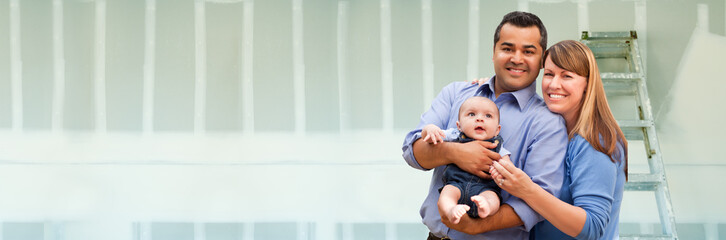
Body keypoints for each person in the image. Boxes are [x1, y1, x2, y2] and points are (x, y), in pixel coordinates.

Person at [402, 11, 568, 240]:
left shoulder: (548, 123)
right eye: (507, 49)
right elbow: (412, 151)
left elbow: (540, 201)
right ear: (494, 52)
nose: (516, 59)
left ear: (542, 60)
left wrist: (475, 226)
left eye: (528, 51)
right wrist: (456, 152)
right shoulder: (456, 93)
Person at [489, 40, 628, 240]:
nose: (554, 84)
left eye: (567, 76)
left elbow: (592, 227)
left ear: (587, 84)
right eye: (549, 74)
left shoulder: (594, 141)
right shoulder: (553, 132)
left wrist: (527, 190)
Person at [418, 97, 509, 225]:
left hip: (484, 187)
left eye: (488, 116)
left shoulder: (498, 146)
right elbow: (426, 137)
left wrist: (503, 172)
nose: (479, 119)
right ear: (459, 125)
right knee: (446, 194)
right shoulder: (455, 135)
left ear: (497, 130)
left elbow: (508, 167)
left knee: (493, 198)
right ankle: (451, 210)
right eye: (471, 114)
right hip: (456, 184)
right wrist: (430, 129)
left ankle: (485, 207)